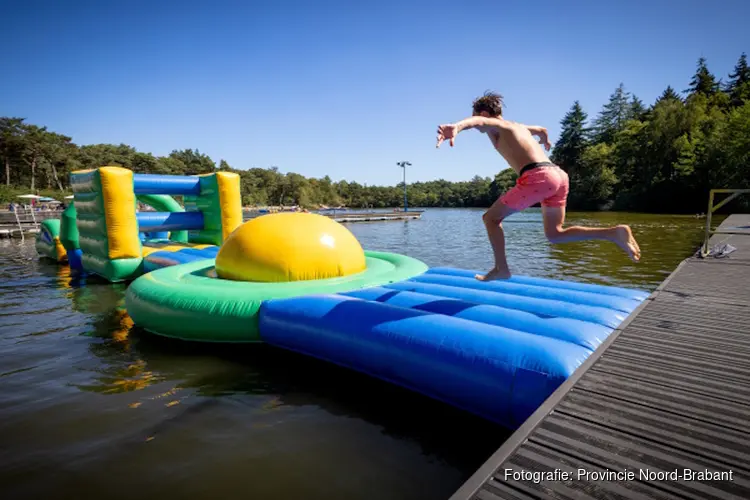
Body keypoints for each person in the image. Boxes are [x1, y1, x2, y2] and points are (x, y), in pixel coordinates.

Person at [436, 91, 641, 281]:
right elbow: (541, 130)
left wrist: (457, 126)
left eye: (480, 118)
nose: (480, 127)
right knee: (555, 234)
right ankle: (612, 233)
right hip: (558, 176)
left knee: (490, 218)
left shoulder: (498, 126)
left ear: (484, 114)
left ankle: (501, 268)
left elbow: (478, 121)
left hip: (538, 177)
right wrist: (545, 139)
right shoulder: (517, 127)